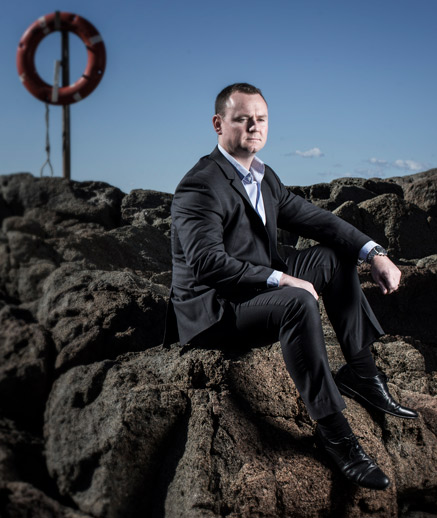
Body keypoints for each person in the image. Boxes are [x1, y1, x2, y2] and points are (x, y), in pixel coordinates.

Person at [166, 83, 418, 490]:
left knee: (335, 257)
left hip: (255, 283)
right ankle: (335, 434)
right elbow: (206, 263)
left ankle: (362, 374)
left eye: (260, 119)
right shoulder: (200, 185)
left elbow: (318, 219)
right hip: (216, 308)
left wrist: (374, 253)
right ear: (218, 124)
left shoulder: (264, 177)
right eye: (242, 118)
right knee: (298, 301)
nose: (253, 126)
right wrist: (282, 279)